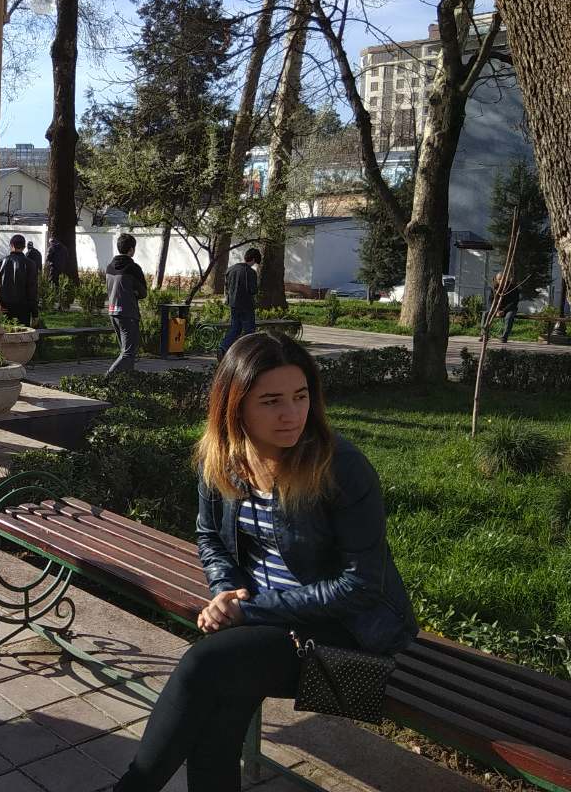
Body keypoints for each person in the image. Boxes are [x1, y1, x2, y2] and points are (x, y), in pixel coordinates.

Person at [113, 332, 417, 792]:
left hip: (350, 634)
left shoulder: (341, 467)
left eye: (300, 396)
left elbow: (360, 586)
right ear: (235, 407)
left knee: (207, 666)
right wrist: (225, 592)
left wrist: (249, 610)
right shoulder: (223, 460)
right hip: (269, 623)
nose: (292, 414)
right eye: (272, 401)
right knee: (219, 708)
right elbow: (210, 537)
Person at [106, 233, 149, 374]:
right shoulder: (133, 268)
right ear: (131, 250)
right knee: (128, 353)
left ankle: (127, 381)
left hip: (113, 312)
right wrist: (134, 293)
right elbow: (143, 292)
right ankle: (106, 379)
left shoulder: (109, 267)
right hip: (128, 313)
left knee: (125, 352)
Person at [219, 247, 261, 359]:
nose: (254, 264)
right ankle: (248, 353)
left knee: (235, 328)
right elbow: (253, 290)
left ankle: (223, 347)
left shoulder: (231, 269)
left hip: (233, 304)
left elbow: (227, 287)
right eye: (255, 261)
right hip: (247, 305)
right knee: (249, 330)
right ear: (253, 259)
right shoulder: (251, 272)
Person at [0, 233, 38, 326]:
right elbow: (32, 290)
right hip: (23, 308)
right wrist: (34, 312)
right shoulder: (30, 264)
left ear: (11, 245)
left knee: (5, 332)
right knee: (22, 333)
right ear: (24, 247)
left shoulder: (0, 263)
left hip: (4, 307)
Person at [486, 272, 521, 343]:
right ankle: (484, 335)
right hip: (497, 309)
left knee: (509, 317)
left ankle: (504, 337)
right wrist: (496, 311)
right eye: (499, 279)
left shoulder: (513, 288)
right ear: (496, 280)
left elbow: (514, 302)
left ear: (506, 279)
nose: (501, 281)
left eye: (503, 279)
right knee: (486, 314)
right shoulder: (494, 288)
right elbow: (490, 302)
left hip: (509, 309)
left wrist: (504, 311)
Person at [45, 235, 70, 309]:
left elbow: (48, 258)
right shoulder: (64, 248)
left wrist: (50, 262)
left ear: (51, 242)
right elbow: (67, 257)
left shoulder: (51, 248)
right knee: (61, 284)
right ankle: (61, 301)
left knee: (52, 283)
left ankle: (52, 300)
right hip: (62, 269)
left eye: (50, 242)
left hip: (54, 268)